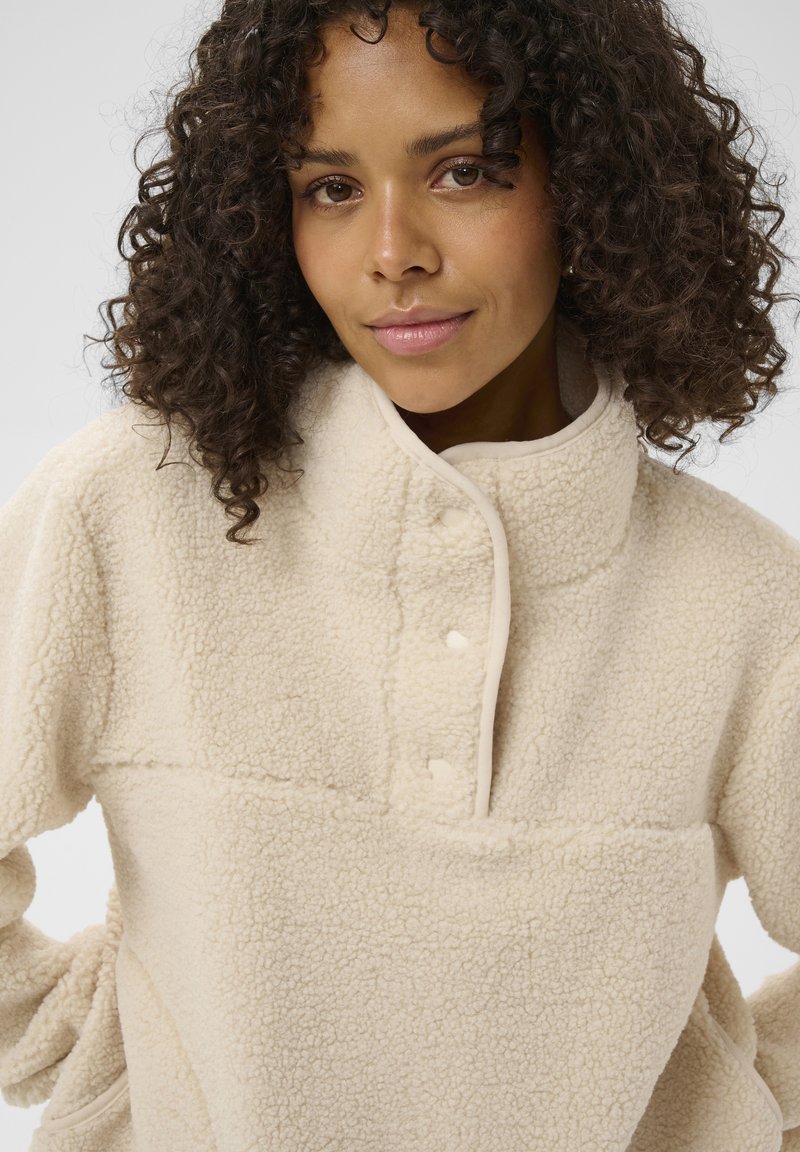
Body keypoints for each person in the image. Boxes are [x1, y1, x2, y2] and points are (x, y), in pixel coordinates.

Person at [0, 0, 798, 1149]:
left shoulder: (745, 604)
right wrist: (99, 1053)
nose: (391, 252)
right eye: (329, 187)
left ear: (592, 185)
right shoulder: (128, 509)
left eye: (464, 172)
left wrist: (727, 1109)